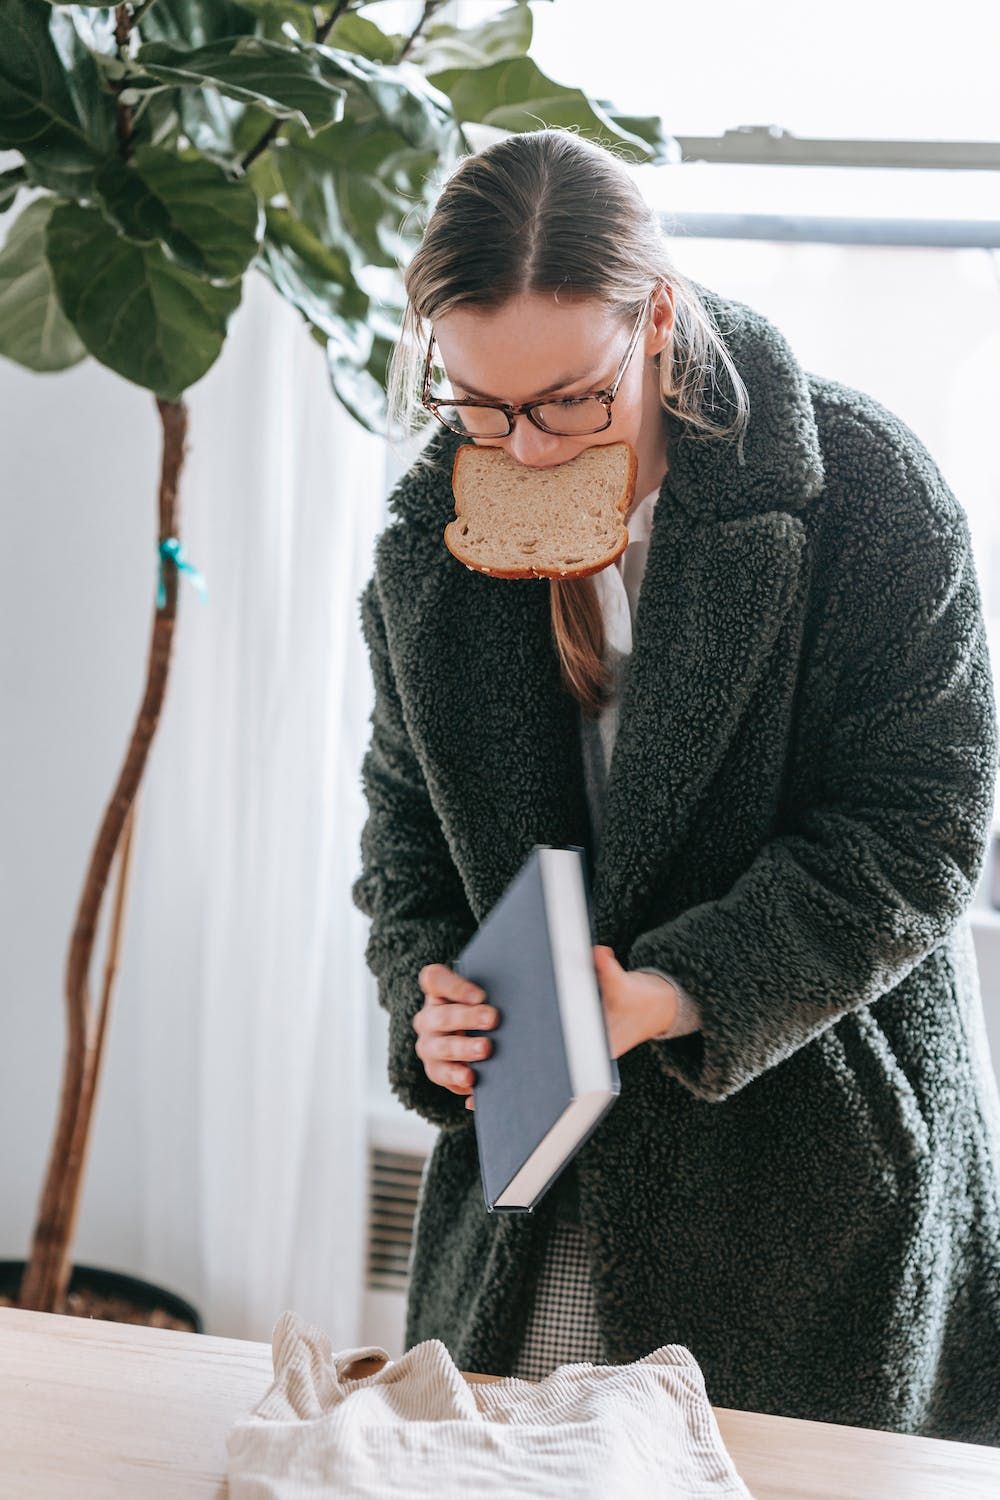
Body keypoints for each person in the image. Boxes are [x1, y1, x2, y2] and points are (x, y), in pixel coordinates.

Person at [351, 127, 1000, 1445]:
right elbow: (404, 834)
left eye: (567, 398)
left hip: (803, 1172)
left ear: (655, 321)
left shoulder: (863, 493)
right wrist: (430, 995)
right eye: (478, 403)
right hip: (535, 1176)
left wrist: (681, 991)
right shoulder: (436, 547)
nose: (524, 450)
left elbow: (922, 828)